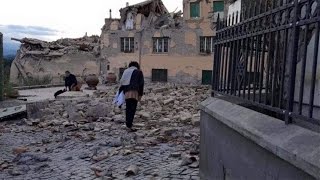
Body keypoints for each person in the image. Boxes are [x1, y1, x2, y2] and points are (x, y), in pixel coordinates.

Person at [119, 61, 144, 132]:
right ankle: (129, 125)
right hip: (134, 92)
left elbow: (122, 83)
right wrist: (140, 95)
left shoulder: (126, 71)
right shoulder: (138, 72)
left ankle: (128, 125)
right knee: (132, 109)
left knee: (128, 108)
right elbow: (141, 84)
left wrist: (120, 94)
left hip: (126, 93)